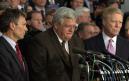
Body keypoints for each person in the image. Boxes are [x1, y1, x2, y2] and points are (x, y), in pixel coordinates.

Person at [27, 7, 85, 81]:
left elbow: (83, 69)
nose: (71, 30)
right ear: (56, 25)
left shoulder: (77, 41)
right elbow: (38, 74)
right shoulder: (40, 41)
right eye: (67, 26)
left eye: (74, 27)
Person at [0, 8, 29, 81]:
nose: (26, 29)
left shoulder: (16, 47)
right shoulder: (1, 50)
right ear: (12, 26)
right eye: (24, 25)